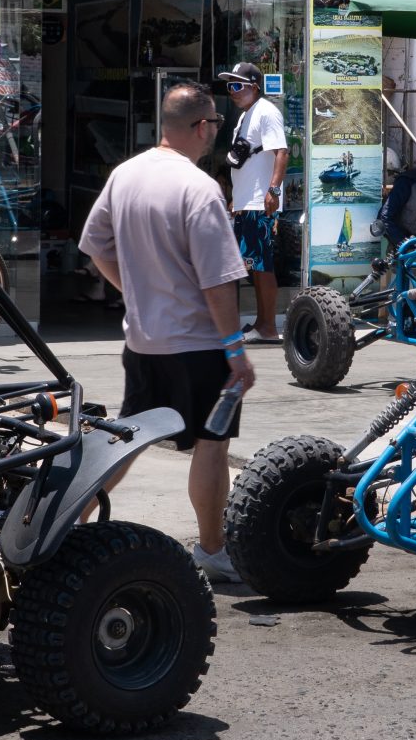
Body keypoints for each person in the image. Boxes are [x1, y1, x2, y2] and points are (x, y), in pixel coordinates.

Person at [78, 81, 259, 582]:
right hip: (199, 345)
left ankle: (69, 524)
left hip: (143, 340)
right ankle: (212, 548)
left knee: (127, 439)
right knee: (211, 443)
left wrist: (135, 291)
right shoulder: (200, 189)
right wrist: (236, 351)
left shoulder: (125, 175)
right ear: (201, 127)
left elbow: (95, 246)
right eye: (216, 127)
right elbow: (220, 282)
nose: (216, 136)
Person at [218, 60, 290, 343]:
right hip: (246, 202)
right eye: (229, 86)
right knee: (255, 265)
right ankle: (262, 324)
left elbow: (281, 152)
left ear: (254, 87)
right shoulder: (246, 115)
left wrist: (273, 191)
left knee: (262, 265)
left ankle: (269, 327)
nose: (233, 91)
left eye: (238, 85)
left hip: (260, 202)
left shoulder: (267, 112)